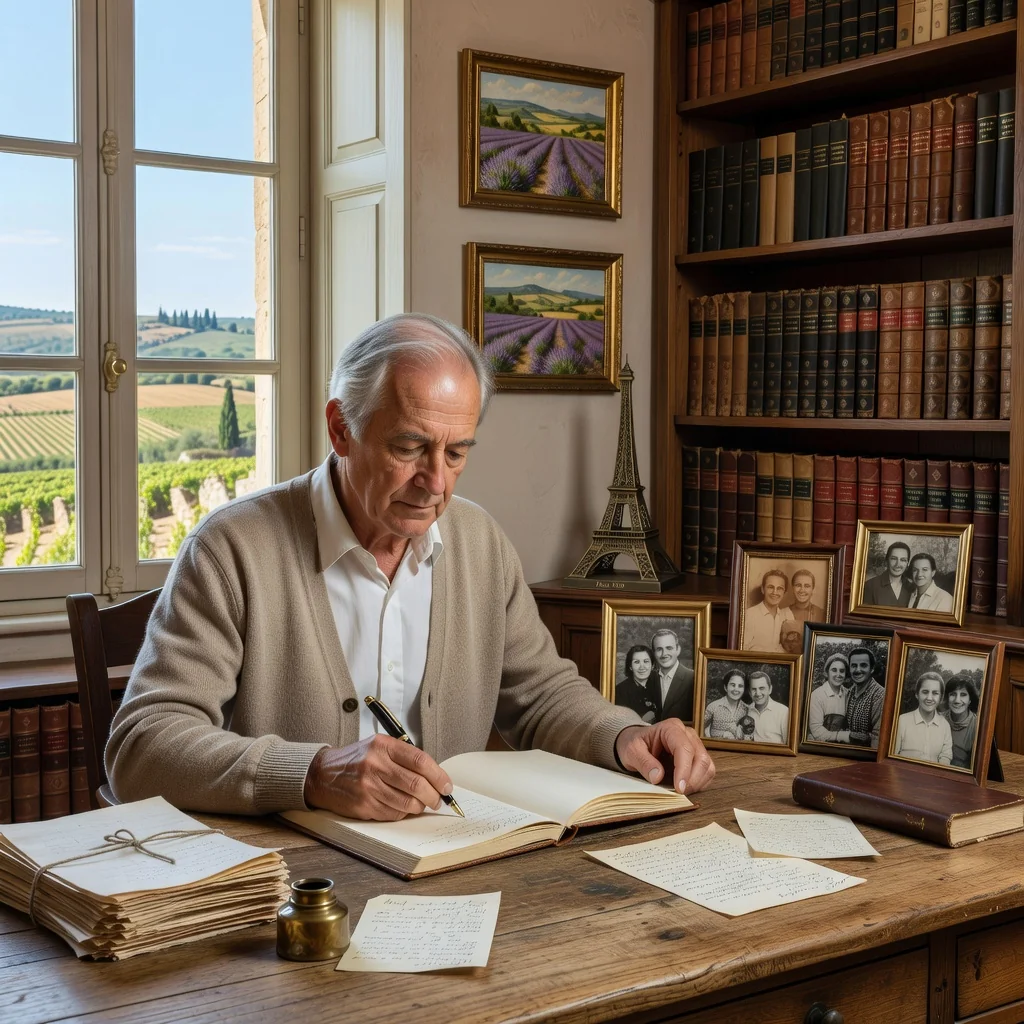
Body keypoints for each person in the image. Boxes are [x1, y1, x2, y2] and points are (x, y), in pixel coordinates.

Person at [105, 313, 716, 819]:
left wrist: (623, 734)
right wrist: (311, 773)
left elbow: (541, 695)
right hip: (291, 886)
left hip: (451, 861)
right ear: (341, 430)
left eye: (456, 453)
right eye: (409, 447)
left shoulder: (479, 542)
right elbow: (141, 746)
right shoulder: (231, 548)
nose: (436, 482)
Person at [893, 672, 953, 765]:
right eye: (925, 692)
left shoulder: (945, 726)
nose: (929, 698)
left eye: (935, 693)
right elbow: (892, 756)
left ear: (940, 698)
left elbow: (945, 757)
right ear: (917, 694)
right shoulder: (902, 721)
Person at [742, 570, 795, 653]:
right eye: (770, 587)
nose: (775, 592)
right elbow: (742, 650)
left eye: (780, 588)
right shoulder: (749, 615)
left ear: (784, 593)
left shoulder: (787, 616)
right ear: (763, 589)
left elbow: (792, 649)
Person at [844, 646, 886, 749]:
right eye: (854, 665)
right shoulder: (849, 692)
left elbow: (877, 738)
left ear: (872, 669)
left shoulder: (880, 695)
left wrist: (847, 735)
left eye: (863, 665)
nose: (858, 670)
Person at [652, 628, 696, 723]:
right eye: (659, 649)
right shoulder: (650, 678)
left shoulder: (693, 678)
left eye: (669, 648)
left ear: (678, 649)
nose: (664, 654)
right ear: (654, 653)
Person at [807, 652, 852, 743]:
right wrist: (842, 736)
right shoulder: (817, 695)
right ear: (827, 673)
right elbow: (816, 730)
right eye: (834, 670)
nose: (838, 674)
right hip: (821, 745)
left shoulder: (848, 694)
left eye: (842, 671)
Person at [615, 645, 660, 724]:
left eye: (646, 661)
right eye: (636, 662)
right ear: (630, 667)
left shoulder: (662, 682)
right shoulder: (620, 691)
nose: (642, 667)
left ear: (652, 665)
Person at [942, 675, 979, 769]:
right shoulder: (938, 719)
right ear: (947, 697)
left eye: (963, 694)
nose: (957, 700)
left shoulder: (978, 725)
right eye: (953, 694)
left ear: (970, 700)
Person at [703, 669, 750, 739]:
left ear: (743, 689)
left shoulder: (746, 709)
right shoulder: (713, 707)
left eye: (740, 686)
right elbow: (699, 728)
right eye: (733, 685)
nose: (736, 689)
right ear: (725, 687)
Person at [863, 542, 913, 607]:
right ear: (887, 560)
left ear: (907, 563)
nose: (898, 564)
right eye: (893, 558)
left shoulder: (911, 588)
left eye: (903, 560)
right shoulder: (870, 586)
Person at [747, 670, 790, 744]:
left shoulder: (783, 712)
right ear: (749, 692)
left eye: (761, 688)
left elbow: (789, 745)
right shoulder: (747, 710)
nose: (758, 693)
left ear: (770, 689)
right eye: (754, 689)